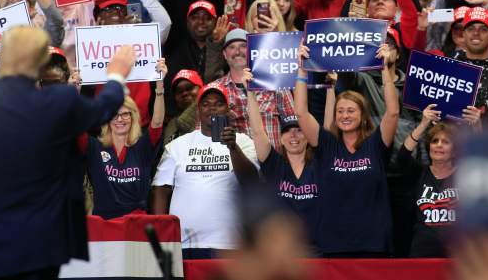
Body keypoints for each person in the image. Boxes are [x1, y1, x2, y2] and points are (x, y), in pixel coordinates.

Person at [0, 26, 134, 279]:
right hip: (37, 251)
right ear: (42, 62)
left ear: (1, 56)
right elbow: (102, 109)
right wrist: (117, 76)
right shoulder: (59, 102)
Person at [294, 42, 399, 256]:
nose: (345, 115)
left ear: (362, 116)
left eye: (351, 111)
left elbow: (393, 113)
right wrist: (302, 69)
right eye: (340, 111)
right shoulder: (326, 144)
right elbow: (301, 113)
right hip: (334, 244)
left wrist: (385, 69)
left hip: (373, 243)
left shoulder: (375, 144)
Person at [152, 81, 259, 259]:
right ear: (198, 110)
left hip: (231, 244)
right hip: (184, 243)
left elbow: (251, 182)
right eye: (206, 104)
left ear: (227, 109)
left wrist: (233, 147)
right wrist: (161, 239)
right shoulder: (177, 145)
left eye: (218, 104)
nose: (212, 108)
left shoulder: (243, 141)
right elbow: (160, 190)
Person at [243, 68, 319, 248]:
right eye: (287, 130)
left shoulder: (320, 164)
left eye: (299, 130)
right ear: (281, 138)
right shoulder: (274, 164)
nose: (293, 135)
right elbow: (257, 131)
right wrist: (251, 93)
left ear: (308, 135)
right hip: (281, 251)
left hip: (316, 248)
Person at [84, 59, 167, 219]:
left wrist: (159, 84)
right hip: (104, 225)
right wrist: (74, 91)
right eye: (114, 114)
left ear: (133, 116)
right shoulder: (94, 147)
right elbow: (75, 127)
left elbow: (157, 122)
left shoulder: (143, 146)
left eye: (125, 114)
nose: (119, 119)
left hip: (137, 225)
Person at [207, 28, 296, 151]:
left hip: (275, 163)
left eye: (243, 46)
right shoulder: (215, 89)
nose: (238, 51)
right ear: (224, 54)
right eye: (232, 47)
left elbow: (294, 123)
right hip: (235, 163)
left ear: (253, 50)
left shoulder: (275, 82)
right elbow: (203, 131)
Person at [397, 104, 458, 257]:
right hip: (423, 253)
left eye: (446, 142)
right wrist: (423, 123)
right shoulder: (419, 172)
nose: (439, 145)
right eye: (435, 141)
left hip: (457, 255)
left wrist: (477, 125)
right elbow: (403, 156)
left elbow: (484, 161)